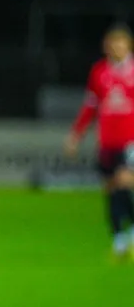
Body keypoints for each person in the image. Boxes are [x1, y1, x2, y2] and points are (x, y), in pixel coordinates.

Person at [64, 24, 134, 260]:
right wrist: (76, 135)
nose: (116, 47)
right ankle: (120, 239)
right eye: (112, 43)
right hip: (107, 142)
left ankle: (124, 240)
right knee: (112, 190)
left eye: (121, 42)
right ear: (106, 46)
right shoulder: (99, 72)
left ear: (129, 45)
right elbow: (90, 107)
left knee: (123, 183)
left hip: (130, 142)